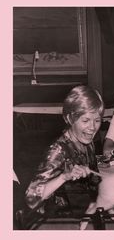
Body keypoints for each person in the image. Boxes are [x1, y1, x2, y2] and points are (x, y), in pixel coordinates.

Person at [25, 86, 104, 215]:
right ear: (69, 119)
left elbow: (94, 183)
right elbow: (31, 198)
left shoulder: (87, 142)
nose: (93, 127)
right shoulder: (58, 151)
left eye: (97, 120)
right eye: (85, 120)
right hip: (60, 221)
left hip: (85, 214)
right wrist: (63, 177)